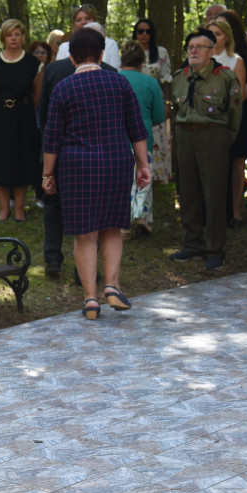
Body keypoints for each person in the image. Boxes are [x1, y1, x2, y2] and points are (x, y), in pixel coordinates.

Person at [42, 28, 150, 320]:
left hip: (77, 166)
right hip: (116, 161)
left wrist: (47, 174)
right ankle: (112, 286)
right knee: (113, 228)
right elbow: (136, 129)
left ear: (71, 57)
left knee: (85, 234)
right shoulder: (119, 83)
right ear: (102, 55)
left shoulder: (63, 88)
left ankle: (90, 298)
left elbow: (52, 138)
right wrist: (143, 165)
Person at [38, 22, 118, 279]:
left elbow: (43, 115)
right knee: (90, 212)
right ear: (100, 49)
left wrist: (47, 161)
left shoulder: (52, 70)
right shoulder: (111, 74)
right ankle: (84, 271)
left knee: (53, 205)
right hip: (96, 153)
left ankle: (53, 257)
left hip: (58, 149)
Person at [169, 28, 242, 271]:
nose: (194, 51)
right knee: (188, 193)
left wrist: (223, 139)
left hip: (213, 135)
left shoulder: (225, 77)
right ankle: (192, 245)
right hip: (185, 135)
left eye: (200, 47)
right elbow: (176, 109)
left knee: (214, 194)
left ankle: (215, 250)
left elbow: (235, 113)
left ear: (211, 51)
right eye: (190, 47)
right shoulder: (180, 76)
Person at [0, 19, 42, 222]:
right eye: (9, 35)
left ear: (23, 37)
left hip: (23, 118)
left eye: (17, 34)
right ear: (3, 38)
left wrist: (21, 108)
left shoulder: (33, 63)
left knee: (22, 160)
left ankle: (20, 209)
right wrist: (1, 107)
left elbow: (37, 94)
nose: (13, 38)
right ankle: (4, 208)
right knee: (0, 161)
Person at [215, 10, 247, 226]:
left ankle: (235, 209)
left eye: (225, 26)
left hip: (242, 111)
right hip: (216, 116)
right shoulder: (211, 52)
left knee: (237, 160)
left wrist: (235, 103)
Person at [118, 41, 165, 235]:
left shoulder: (113, 78)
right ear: (142, 62)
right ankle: (142, 217)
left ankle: (122, 219)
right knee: (143, 177)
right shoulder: (150, 82)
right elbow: (159, 116)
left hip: (117, 136)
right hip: (142, 135)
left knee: (120, 179)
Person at [133, 18, 174, 184]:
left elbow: (166, 79)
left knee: (157, 136)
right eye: (140, 31)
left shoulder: (161, 52)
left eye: (148, 31)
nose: (144, 35)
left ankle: (156, 175)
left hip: (155, 99)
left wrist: (167, 103)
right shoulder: (131, 50)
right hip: (136, 100)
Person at [55, 5, 121, 68]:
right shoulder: (64, 47)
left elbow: (115, 69)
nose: (83, 22)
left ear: (95, 21)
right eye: (78, 20)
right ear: (74, 25)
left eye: (88, 18)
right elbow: (60, 70)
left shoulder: (110, 44)